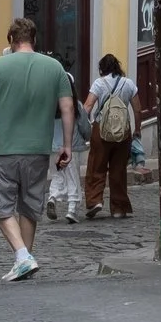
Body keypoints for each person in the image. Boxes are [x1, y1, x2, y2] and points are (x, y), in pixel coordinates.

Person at [0, 16, 76, 281]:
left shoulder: (0, 65)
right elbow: (68, 108)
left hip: (6, 149)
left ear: (11, 40)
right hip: (38, 150)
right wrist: (66, 145)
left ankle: (22, 256)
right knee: (30, 207)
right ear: (34, 39)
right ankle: (24, 260)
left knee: (1, 206)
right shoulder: (54, 68)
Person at [82, 55, 137, 219]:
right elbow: (138, 108)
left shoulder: (99, 83)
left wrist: (86, 125)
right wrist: (138, 129)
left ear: (101, 69)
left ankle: (95, 201)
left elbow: (88, 106)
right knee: (118, 169)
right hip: (123, 132)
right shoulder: (128, 83)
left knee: (95, 166)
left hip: (101, 130)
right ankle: (119, 208)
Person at [49, 61, 93, 223]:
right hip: (71, 147)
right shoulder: (76, 106)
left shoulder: (51, 108)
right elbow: (84, 127)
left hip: (54, 146)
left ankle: (53, 197)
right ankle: (72, 209)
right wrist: (88, 137)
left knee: (58, 174)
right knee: (73, 177)